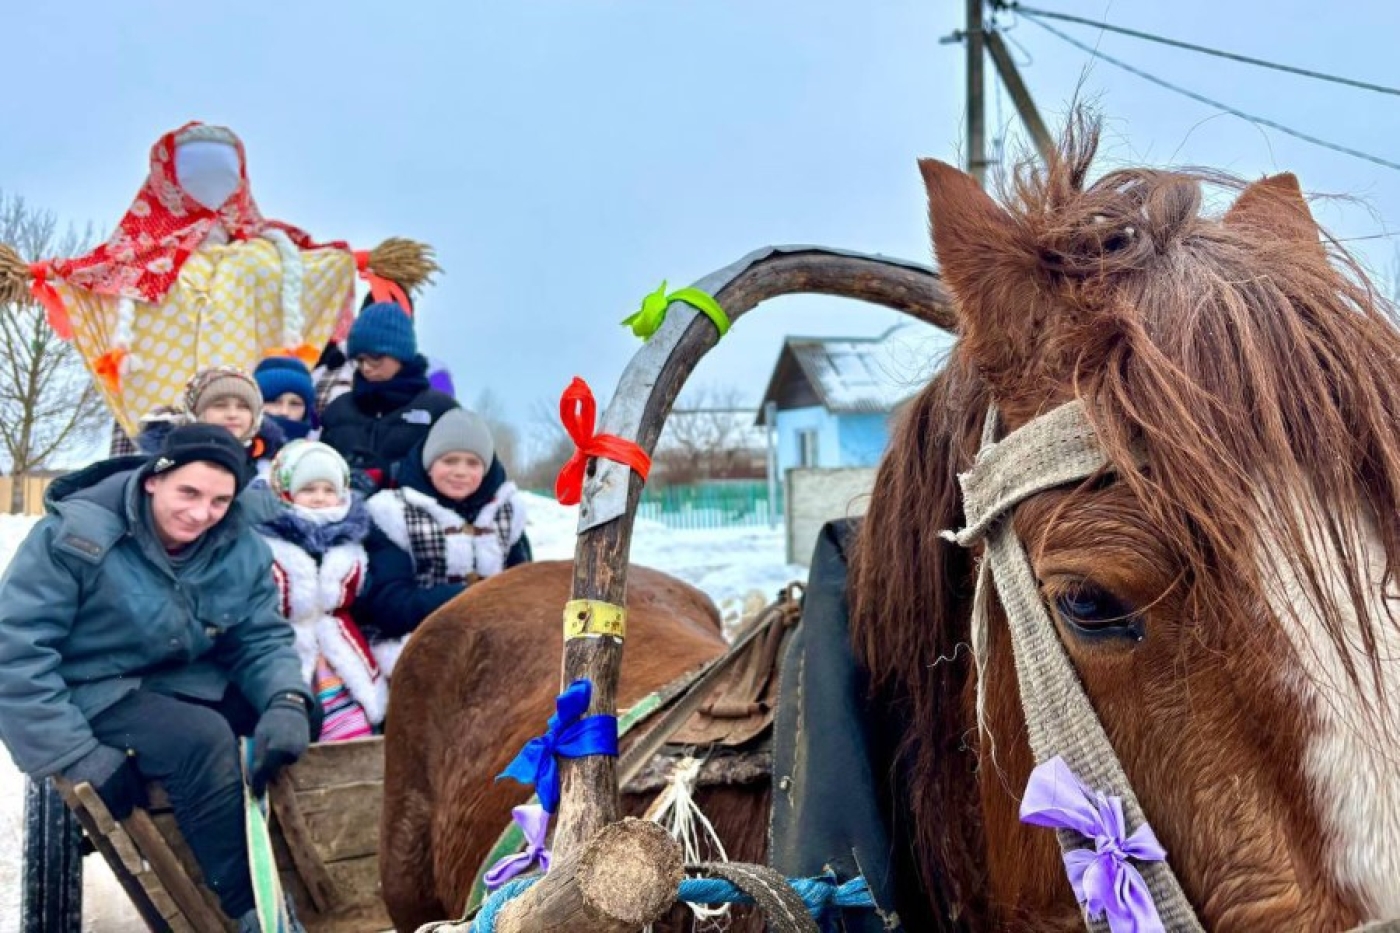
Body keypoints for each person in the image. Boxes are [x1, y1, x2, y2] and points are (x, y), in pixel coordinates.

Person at [0, 424, 313, 932]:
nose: (199, 513)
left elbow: (260, 638)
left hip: (185, 678)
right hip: (92, 687)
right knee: (201, 740)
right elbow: (14, 652)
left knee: (280, 728)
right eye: (187, 492)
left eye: (218, 500)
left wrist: (286, 700)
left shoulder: (239, 547)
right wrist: (76, 756)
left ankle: (306, 877)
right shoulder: (75, 539)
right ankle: (249, 909)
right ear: (153, 479)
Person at [358, 409, 531, 674]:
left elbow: (522, 582)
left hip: (495, 639)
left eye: (472, 463)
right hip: (414, 640)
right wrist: (469, 598)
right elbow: (388, 604)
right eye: (450, 461)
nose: (460, 472)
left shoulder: (506, 513)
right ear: (430, 463)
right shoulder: (393, 513)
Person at [257, 441, 385, 739]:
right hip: (284, 644)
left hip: (338, 645)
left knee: (354, 714)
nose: (319, 498)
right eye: (309, 489)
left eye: (328, 491)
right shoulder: (266, 539)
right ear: (286, 491)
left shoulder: (350, 540)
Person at [317, 302, 457, 490]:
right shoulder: (337, 411)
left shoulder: (440, 411)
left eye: (375, 358)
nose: (366, 367)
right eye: (360, 360)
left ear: (401, 354)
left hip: (417, 516)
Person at [135, 366, 286, 480]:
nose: (232, 415)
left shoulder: (272, 462)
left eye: (243, 407)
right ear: (196, 412)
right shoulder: (164, 459)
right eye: (220, 405)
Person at [255, 356, 318, 442]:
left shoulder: (317, 452)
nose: (284, 412)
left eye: (295, 404)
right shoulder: (234, 449)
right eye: (274, 402)